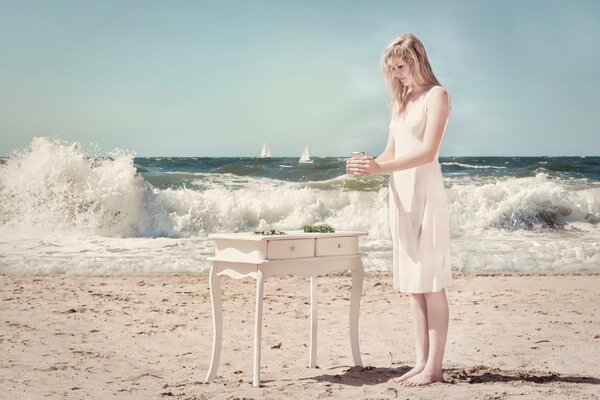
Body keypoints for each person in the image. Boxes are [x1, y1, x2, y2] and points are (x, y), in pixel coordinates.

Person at [346, 33, 452, 387]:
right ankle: (421, 362)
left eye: (401, 66)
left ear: (417, 60)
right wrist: (369, 164)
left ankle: (434, 368)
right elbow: (391, 152)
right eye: (392, 69)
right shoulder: (401, 102)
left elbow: (427, 152)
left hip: (425, 192)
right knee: (413, 284)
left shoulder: (437, 96)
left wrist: (380, 168)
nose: (397, 73)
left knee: (431, 282)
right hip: (401, 194)